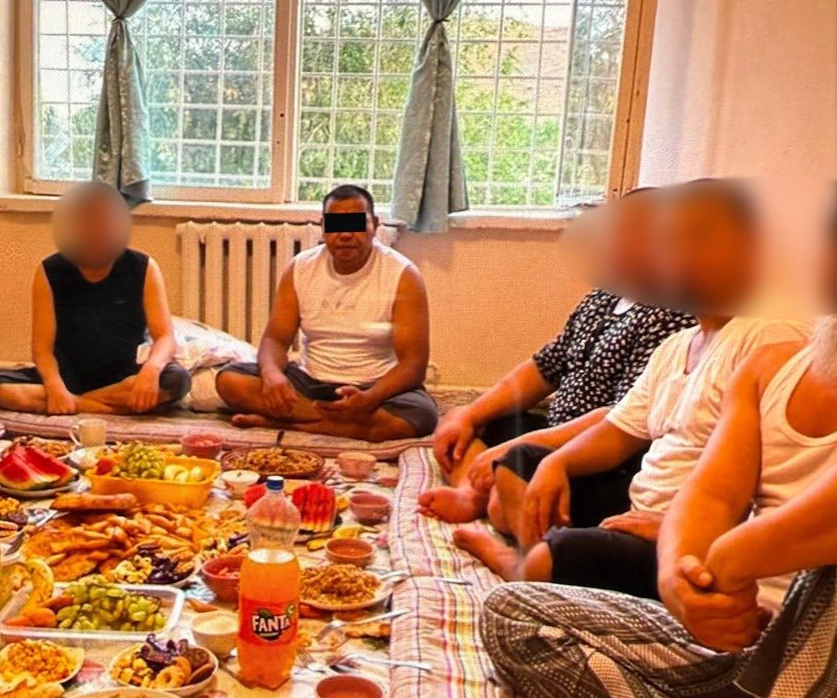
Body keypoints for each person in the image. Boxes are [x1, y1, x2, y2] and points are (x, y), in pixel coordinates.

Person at [480, 305, 837, 698]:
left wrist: (729, 559)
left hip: (821, 689)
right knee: (510, 615)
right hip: (739, 655)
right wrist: (682, 583)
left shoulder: (758, 335)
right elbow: (708, 496)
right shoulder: (768, 367)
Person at [459, 179, 807, 597]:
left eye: (699, 236)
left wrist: (679, 529)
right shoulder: (675, 345)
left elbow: (781, 486)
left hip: (691, 542)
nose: (679, 255)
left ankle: (529, 569)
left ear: (753, 247)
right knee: (520, 464)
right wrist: (558, 463)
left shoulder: (770, 338)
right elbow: (619, 430)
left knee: (555, 555)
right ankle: (549, 566)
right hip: (639, 506)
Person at [418, 188, 694, 524]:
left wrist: (518, 449)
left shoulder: (671, 313)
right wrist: (471, 415)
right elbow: (544, 367)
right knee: (456, 425)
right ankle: (476, 492)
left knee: (509, 487)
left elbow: (623, 419)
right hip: (554, 430)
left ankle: (493, 498)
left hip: (597, 457)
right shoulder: (603, 297)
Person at [215, 184, 437, 442]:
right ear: (323, 227)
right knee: (229, 381)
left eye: (355, 224)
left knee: (420, 415)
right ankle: (341, 423)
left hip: (375, 386)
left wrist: (368, 399)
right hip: (310, 382)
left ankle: (288, 423)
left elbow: (413, 365)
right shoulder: (300, 268)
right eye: (335, 225)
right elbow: (275, 339)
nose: (345, 234)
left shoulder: (403, 274)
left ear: (375, 225)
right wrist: (271, 374)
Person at [0, 182, 190, 415]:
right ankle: (112, 407)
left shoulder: (144, 267)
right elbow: (41, 349)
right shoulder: (49, 270)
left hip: (122, 378)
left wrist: (151, 369)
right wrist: (55, 386)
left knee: (177, 380)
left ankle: (77, 403)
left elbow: (165, 336)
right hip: (67, 377)